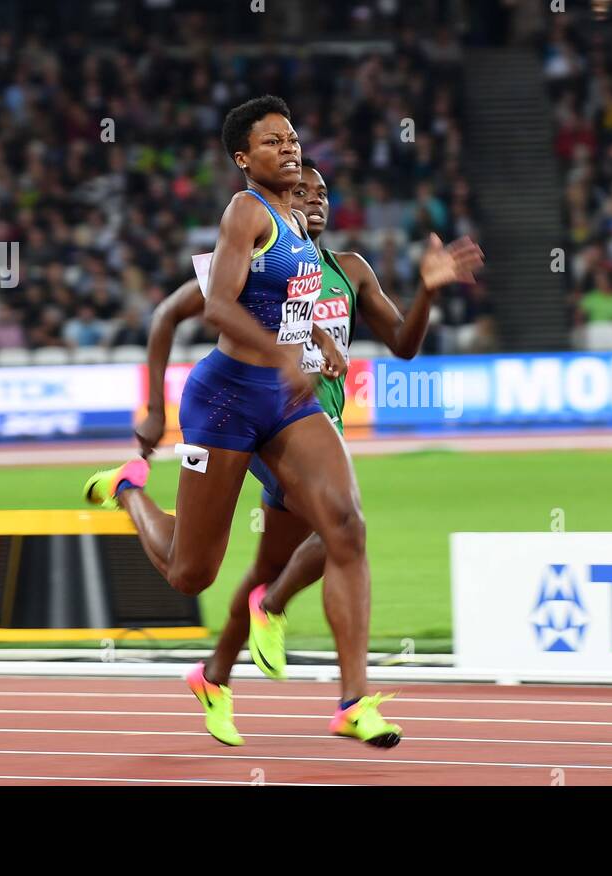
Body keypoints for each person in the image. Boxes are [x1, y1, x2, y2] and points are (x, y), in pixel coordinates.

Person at [81, 96, 407, 747]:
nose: (288, 148)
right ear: (242, 159)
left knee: (345, 524)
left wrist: (322, 340)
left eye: (291, 138)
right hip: (226, 399)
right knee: (190, 571)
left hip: (287, 401)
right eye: (272, 142)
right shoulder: (246, 213)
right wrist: (163, 404)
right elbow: (220, 308)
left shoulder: (296, 221)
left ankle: (352, 702)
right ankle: (128, 490)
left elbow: (290, 299)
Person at [133, 158, 483, 745]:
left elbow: (403, 344)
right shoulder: (253, 263)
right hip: (254, 419)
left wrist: (425, 290)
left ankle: (222, 670)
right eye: (301, 189)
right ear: (282, 198)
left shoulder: (348, 271)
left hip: (310, 429)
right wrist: (153, 407)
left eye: (322, 192)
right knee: (248, 556)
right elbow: (178, 312)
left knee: (296, 552)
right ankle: (139, 498)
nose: (313, 198)